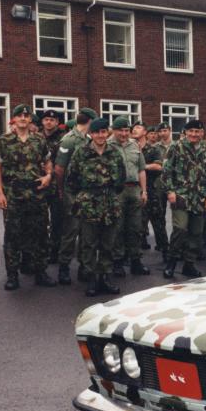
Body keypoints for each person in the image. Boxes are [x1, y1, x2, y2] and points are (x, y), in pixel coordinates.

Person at [0, 103, 56, 290]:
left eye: (26, 116)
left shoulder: (39, 140)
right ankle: (12, 275)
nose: (23, 118)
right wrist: (0, 193)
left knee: (40, 234)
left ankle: (41, 272)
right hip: (14, 193)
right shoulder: (4, 140)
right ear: (14, 119)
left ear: (30, 120)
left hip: (36, 193)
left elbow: (48, 161)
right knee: (12, 235)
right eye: (19, 116)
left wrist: (48, 176)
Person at [66, 118, 126, 296]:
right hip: (89, 204)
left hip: (110, 204)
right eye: (96, 132)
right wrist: (81, 199)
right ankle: (91, 278)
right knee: (89, 244)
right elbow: (72, 180)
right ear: (91, 134)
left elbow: (121, 180)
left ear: (107, 133)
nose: (100, 135)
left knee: (108, 243)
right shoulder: (81, 153)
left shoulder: (114, 153)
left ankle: (105, 278)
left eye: (103, 132)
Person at [162, 119, 206, 279]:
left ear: (202, 133)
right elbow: (166, 171)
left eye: (197, 132)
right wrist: (170, 191)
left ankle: (189, 264)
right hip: (181, 196)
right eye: (190, 131)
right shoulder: (176, 147)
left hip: (199, 197)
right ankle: (171, 263)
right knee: (180, 229)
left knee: (196, 232)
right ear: (185, 132)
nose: (194, 134)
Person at [55, 107, 98, 285]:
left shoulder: (89, 139)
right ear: (89, 121)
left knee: (86, 231)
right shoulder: (69, 139)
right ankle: (64, 267)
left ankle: (84, 266)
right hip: (72, 192)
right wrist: (61, 190)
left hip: (87, 192)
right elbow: (59, 169)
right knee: (71, 230)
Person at [108, 116, 149, 276]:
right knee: (117, 227)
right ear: (114, 130)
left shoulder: (135, 145)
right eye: (121, 130)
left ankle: (135, 261)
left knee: (135, 227)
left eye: (127, 130)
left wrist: (144, 191)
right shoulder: (108, 145)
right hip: (117, 190)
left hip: (134, 189)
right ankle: (117, 262)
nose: (124, 134)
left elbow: (141, 170)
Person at [135, 122, 167, 256]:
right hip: (135, 190)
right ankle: (135, 253)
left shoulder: (153, 149)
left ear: (145, 133)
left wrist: (143, 167)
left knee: (158, 221)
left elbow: (159, 167)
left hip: (151, 190)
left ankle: (165, 249)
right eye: (134, 128)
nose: (135, 130)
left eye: (138, 128)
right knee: (137, 224)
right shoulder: (131, 149)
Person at [39, 109, 65, 264]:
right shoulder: (36, 138)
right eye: (46, 119)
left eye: (52, 120)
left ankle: (54, 252)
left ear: (57, 123)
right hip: (41, 184)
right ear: (42, 121)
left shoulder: (63, 139)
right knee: (40, 220)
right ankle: (41, 251)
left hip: (56, 186)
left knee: (57, 221)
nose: (49, 122)